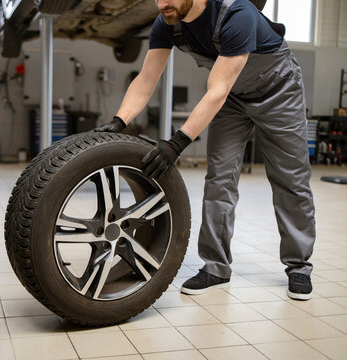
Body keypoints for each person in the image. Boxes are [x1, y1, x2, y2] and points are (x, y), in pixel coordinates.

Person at [94, 0, 316, 300]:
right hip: (234, 98)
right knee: (219, 180)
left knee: (290, 180)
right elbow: (146, 80)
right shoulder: (167, 22)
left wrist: (177, 143)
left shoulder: (237, 14)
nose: (162, 3)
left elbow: (217, 89)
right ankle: (216, 267)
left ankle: (299, 266)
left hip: (278, 91)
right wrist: (119, 120)